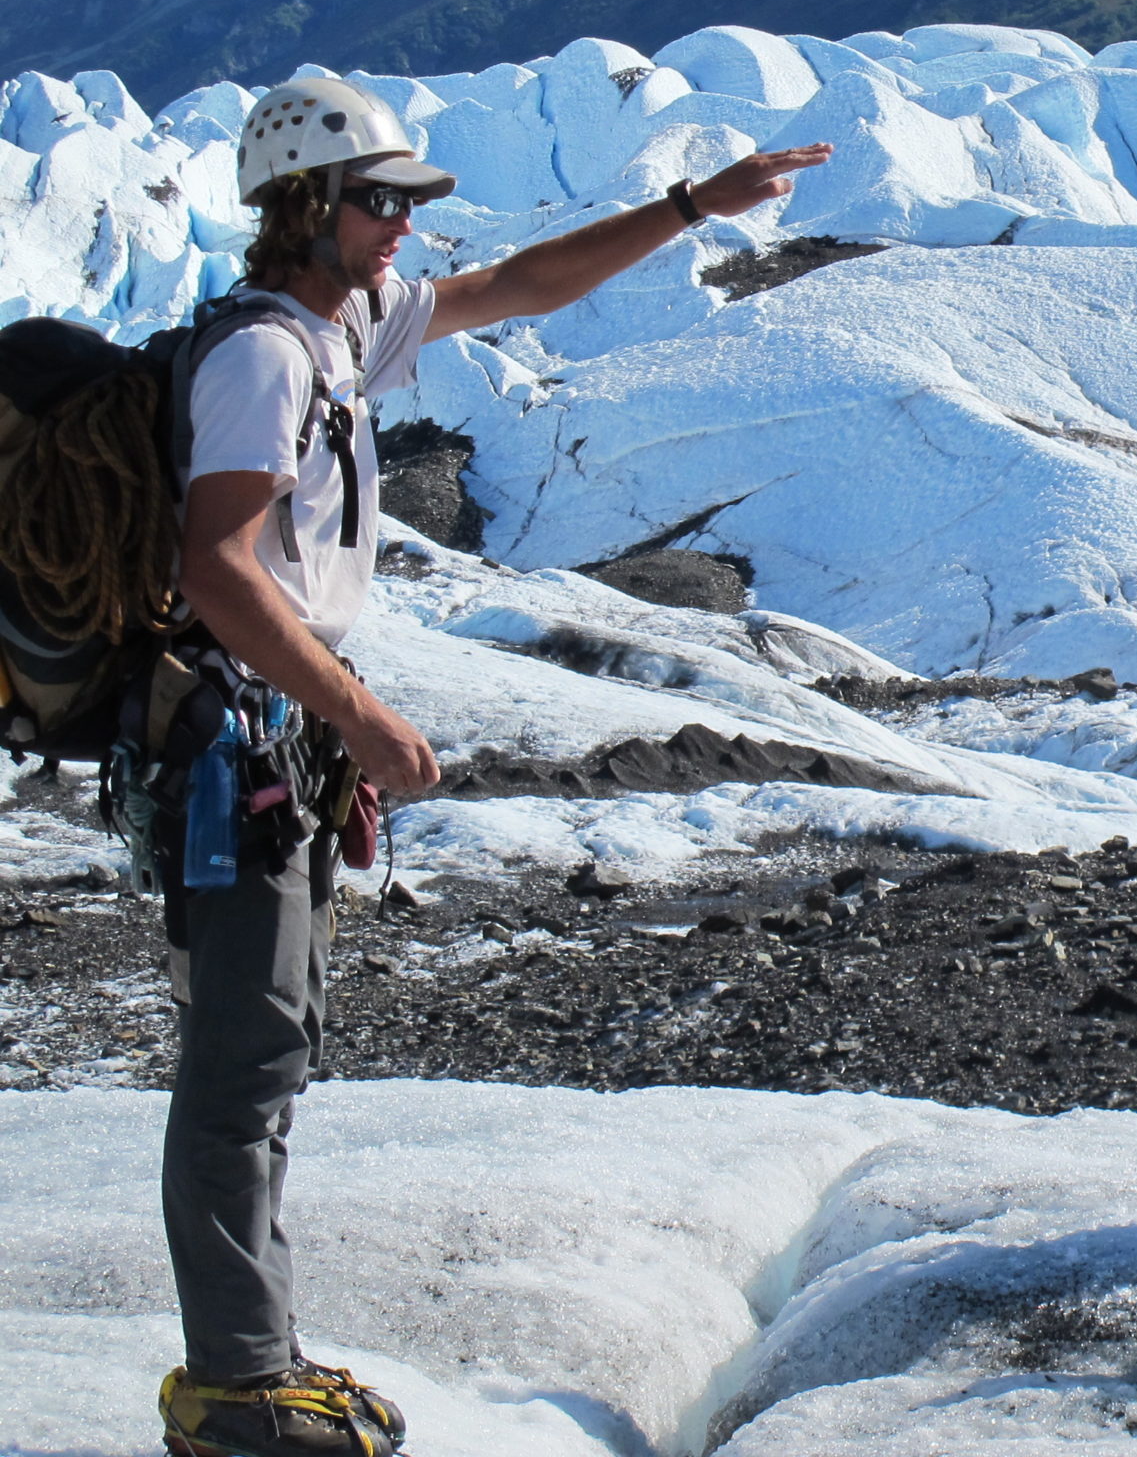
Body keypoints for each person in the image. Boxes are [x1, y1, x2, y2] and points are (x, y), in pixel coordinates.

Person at [157, 77, 827, 1457]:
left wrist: (695, 207)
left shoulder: (336, 329)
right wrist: (356, 714)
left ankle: (251, 1362)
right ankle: (233, 1385)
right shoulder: (266, 361)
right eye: (382, 200)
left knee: (264, 1049)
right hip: (232, 746)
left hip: (265, 743)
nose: (405, 225)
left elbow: (524, 286)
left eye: (405, 200)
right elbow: (215, 566)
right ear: (305, 206)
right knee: (243, 1060)